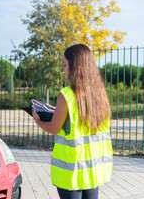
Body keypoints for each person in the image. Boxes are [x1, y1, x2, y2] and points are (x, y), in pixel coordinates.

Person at [32, 44, 113, 199]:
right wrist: (61, 111)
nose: (63, 69)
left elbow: (54, 128)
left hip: (71, 171)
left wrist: (38, 120)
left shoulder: (67, 95)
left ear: (75, 66)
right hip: (93, 170)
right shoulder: (99, 95)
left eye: (65, 64)